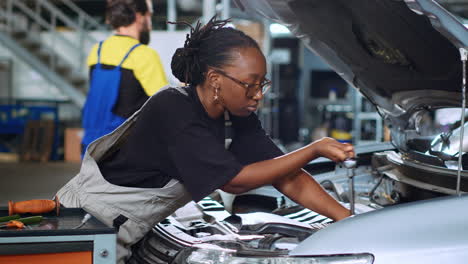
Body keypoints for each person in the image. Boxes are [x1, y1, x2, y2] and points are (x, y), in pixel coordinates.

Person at [57, 17, 354, 263]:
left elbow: (286, 175)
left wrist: (348, 220)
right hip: (89, 227)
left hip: (131, 226)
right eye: (250, 85)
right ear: (215, 79)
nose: (258, 94)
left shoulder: (235, 114)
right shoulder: (174, 108)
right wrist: (314, 149)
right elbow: (234, 181)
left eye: (261, 83)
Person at [81, 0, 168, 155]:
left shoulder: (97, 51)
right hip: (125, 147)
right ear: (139, 17)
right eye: (149, 15)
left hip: (92, 144)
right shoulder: (144, 55)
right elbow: (165, 104)